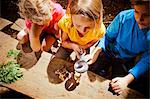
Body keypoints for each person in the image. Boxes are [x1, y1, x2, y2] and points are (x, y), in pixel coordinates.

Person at [85, 0, 150, 96]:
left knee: (116, 88)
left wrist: (127, 79)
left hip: (125, 60)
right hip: (108, 51)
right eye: (136, 11)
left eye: (147, 15)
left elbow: (147, 60)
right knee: (89, 70)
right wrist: (95, 52)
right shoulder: (123, 17)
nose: (139, 19)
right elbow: (107, 37)